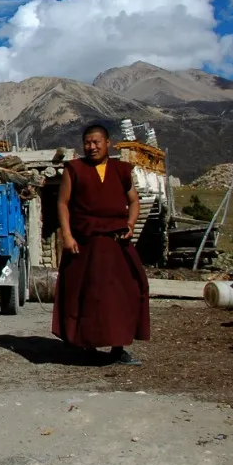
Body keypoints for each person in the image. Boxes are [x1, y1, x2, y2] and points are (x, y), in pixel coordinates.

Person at [54, 123, 151, 366]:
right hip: (86, 243)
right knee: (88, 293)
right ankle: (87, 343)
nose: (92, 146)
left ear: (108, 143)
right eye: (87, 142)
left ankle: (118, 348)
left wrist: (130, 224)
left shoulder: (121, 169)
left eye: (97, 142)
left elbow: (134, 201)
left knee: (125, 292)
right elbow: (62, 203)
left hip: (116, 243)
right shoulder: (73, 169)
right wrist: (67, 236)